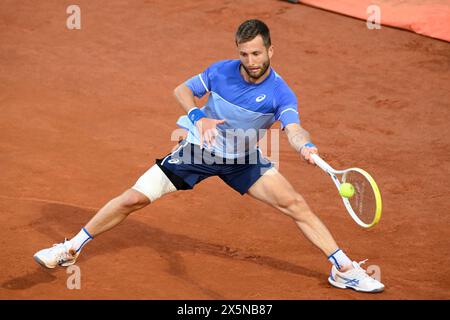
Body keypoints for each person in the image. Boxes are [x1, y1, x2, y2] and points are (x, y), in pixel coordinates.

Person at [34, 19, 384, 293]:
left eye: (257, 54)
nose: (250, 62)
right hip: (197, 151)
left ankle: (343, 269)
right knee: (132, 199)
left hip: (244, 161)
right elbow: (182, 90)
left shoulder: (280, 92)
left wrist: (305, 144)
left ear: (270, 51)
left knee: (295, 203)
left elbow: (293, 128)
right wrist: (199, 118)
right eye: (244, 54)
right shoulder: (220, 70)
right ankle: (70, 248)